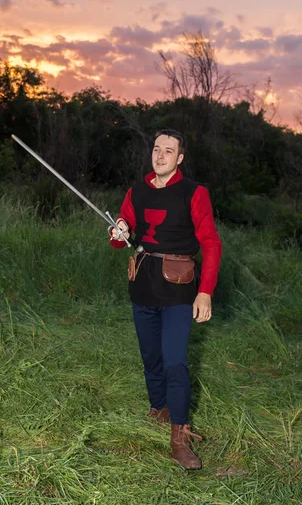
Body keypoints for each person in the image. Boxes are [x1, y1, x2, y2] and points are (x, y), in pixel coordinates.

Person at [109, 128, 222, 470]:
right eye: (157, 149)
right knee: (151, 356)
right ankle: (159, 407)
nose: (160, 156)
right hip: (142, 285)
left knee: (175, 360)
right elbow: (120, 234)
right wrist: (118, 231)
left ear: (180, 158)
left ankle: (179, 437)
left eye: (168, 151)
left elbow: (211, 244)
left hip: (178, 289)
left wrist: (205, 292)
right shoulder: (137, 191)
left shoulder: (194, 193)